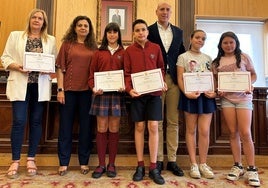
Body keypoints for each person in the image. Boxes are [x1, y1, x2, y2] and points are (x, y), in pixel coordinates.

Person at [1, 9, 57, 179]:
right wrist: (17, 67)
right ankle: (15, 160)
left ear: (44, 23)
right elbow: (5, 58)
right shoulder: (16, 36)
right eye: (34, 17)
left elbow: (53, 63)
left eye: (40, 18)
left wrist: (48, 69)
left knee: (36, 121)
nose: (37, 20)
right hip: (20, 83)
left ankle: (31, 158)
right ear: (30, 19)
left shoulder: (51, 40)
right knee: (18, 121)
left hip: (39, 86)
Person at [211, 31, 260, 187]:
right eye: (225, 43)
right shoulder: (216, 62)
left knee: (245, 132)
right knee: (233, 132)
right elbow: (215, 81)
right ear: (221, 45)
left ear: (236, 43)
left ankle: (252, 168)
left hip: (243, 98)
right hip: (227, 100)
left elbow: (253, 75)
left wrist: (249, 85)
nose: (229, 45)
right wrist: (219, 89)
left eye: (231, 42)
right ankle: (237, 165)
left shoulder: (244, 57)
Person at [124, 19, 167, 185]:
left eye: (143, 29)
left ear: (148, 32)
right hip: (137, 95)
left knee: (154, 126)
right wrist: (129, 89)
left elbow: (161, 69)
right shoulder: (129, 51)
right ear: (133, 33)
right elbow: (127, 73)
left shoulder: (155, 48)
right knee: (140, 127)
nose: (141, 32)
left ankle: (154, 167)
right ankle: (140, 165)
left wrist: (162, 82)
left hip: (155, 94)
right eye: (137, 30)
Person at [56, 15, 97, 176]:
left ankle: (84, 162)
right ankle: (63, 162)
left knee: (86, 128)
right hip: (68, 92)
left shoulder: (93, 47)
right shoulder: (67, 45)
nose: (82, 28)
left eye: (85, 26)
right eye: (79, 25)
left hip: (87, 93)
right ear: (74, 28)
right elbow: (60, 68)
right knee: (65, 128)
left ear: (89, 29)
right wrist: (60, 90)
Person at [147, 2, 185, 176]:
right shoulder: (148, 30)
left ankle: (172, 160)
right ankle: (158, 159)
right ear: (156, 12)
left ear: (171, 12)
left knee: (173, 121)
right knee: (157, 122)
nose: (165, 12)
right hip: (155, 80)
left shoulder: (178, 32)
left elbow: (182, 55)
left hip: (174, 81)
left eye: (168, 9)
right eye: (161, 9)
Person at [89, 22, 126, 179]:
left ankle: (112, 163)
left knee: (114, 128)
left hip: (117, 95)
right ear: (105, 34)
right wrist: (93, 88)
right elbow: (91, 75)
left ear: (119, 34)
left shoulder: (124, 53)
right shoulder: (98, 52)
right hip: (101, 95)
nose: (112, 35)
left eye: (115, 32)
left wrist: (124, 85)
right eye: (109, 32)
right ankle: (101, 164)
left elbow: (128, 74)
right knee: (102, 128)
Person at [177, 30, 216, 179]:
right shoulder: (183, 57)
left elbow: (211, 78)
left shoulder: (208, 58)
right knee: (191, 130)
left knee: (204, 131)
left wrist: (213, 92)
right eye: (198, 38)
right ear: (191, 38)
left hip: (206, 97)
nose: (200, 40)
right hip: (190, 96)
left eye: (203, 39)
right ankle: (193, 164)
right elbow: (180, 78)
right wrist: (185, 92)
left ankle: (203, 163)